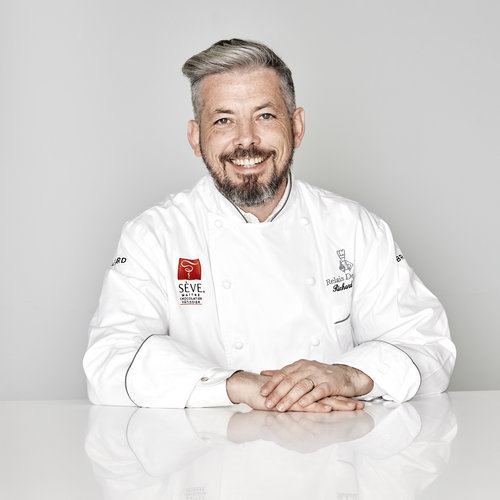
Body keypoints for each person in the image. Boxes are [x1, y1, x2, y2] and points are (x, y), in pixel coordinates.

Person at [83, 39, 456, 412]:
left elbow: (428, 347)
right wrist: (237, 385)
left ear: (297, 126)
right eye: (223, 120)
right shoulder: (153, 236)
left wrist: (348, 375)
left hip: (335, 440)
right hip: (205, 445)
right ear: (196, 138)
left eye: (264, 116)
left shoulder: (353, 228)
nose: (246, 139)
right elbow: (110, 362)